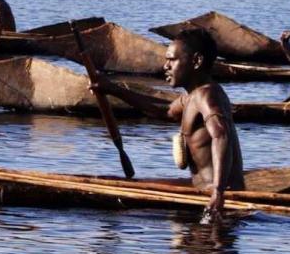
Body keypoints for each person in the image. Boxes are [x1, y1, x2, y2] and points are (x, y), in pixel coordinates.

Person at [92, 27, 245, 224]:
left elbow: (220, 136)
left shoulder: (206, 95)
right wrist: (112, 89)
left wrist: (218, 191)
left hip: (219, 202)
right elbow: (163, 110)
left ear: (196, 61)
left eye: (172, 60)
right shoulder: (191, 96)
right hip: (205, 195)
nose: (165, 66)